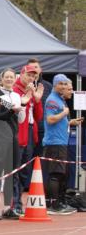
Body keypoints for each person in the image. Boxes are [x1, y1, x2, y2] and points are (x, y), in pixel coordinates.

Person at [43, 74, 82, 214]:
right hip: (55, 142)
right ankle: (54, 205)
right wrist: (64, 113)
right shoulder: (53, 100)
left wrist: (70, 122)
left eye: (67, 85)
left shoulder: (59, 99)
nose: (66, 88)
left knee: (61, 173)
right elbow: (50, 119)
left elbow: (58, 122)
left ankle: (59, 202)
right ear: (56, 85)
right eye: (63, 85)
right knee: (56, 173)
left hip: (60, 141)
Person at [0, 68, 22, 219]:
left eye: (11, 77)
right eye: (6, 77)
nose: (9, 79)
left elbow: (19, 119)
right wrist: (12, 111)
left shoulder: (16, 95)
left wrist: (19, 112)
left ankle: (8, 207)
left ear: (15, 79)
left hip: (13, 137)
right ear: (1, 79)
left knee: (11, 173)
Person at [14, 65, 44, 208]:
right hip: (18, 133)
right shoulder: (15, 90)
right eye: (29, 75)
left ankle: (18, 202)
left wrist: (37, 100)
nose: (31, 78)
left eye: (33, 76)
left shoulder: (31, 91)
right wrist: (24, 99)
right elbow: (13, 111)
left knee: (25, 170)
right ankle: (15, 203)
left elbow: (38, 117)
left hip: (30, 132)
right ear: (21, 74)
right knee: (16, 169)